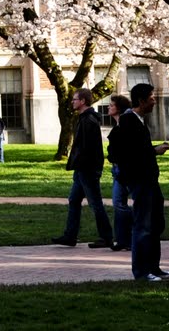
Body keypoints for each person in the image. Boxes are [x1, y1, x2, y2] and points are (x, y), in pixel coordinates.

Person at [108, 82, 169, 281]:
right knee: (143, 225)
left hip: (149, 180)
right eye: (151, 98)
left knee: (155, 223)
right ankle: (142, 271)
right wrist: (154, 150)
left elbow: (136, 148)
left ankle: (153, 267)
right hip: (140, 181)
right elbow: (124, 152)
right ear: (141, 100)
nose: (154, 101)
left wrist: (152, 150)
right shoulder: (128, 121)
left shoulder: (137, 120)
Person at [53, 88, 114, 249]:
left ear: (83, 101)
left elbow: (88, 148)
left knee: (95, 203)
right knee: (74, 200)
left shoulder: (88, 121)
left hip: (87, 169)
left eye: (75, 99)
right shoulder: (84, 119)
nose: (72, 102)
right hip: (82, 169)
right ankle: (70, 235)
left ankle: (106, 236)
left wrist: (82, 165)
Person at [107, 93, 134, 253]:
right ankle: (122, 239)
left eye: (112, 105)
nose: (109, 107)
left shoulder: (126, 124)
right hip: (117, 169)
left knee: (122, 204)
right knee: (118, 203)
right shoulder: (118, 125)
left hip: (126, 169)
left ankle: (132, 235)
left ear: (119, 108)